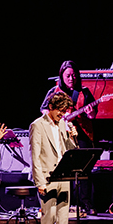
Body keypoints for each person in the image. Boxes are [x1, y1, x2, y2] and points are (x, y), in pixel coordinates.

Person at [40, 60, 97, 215]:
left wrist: (90, 112)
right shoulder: (55, 91)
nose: (71, 78)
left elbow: (93, 115)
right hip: (62, 135)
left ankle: (86, 203)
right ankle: (65, 202)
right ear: (62, 77)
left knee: (84, 169)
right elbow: (44, 109)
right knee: (64, 169)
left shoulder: (85, 92)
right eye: (68, 76)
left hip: (82, 134)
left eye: (74, 75)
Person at [30, 91, 78, 224]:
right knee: (48, 217)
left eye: (65, 111)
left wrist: (72, 137)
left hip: (63, 175)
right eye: (60, 110)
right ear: (51, 107)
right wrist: (40, 182)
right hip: (47, 177)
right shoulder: (37, 125)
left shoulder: (63, 124)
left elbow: (70, 151)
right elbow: (35, 156)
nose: (62, 114)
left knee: (63, 217)